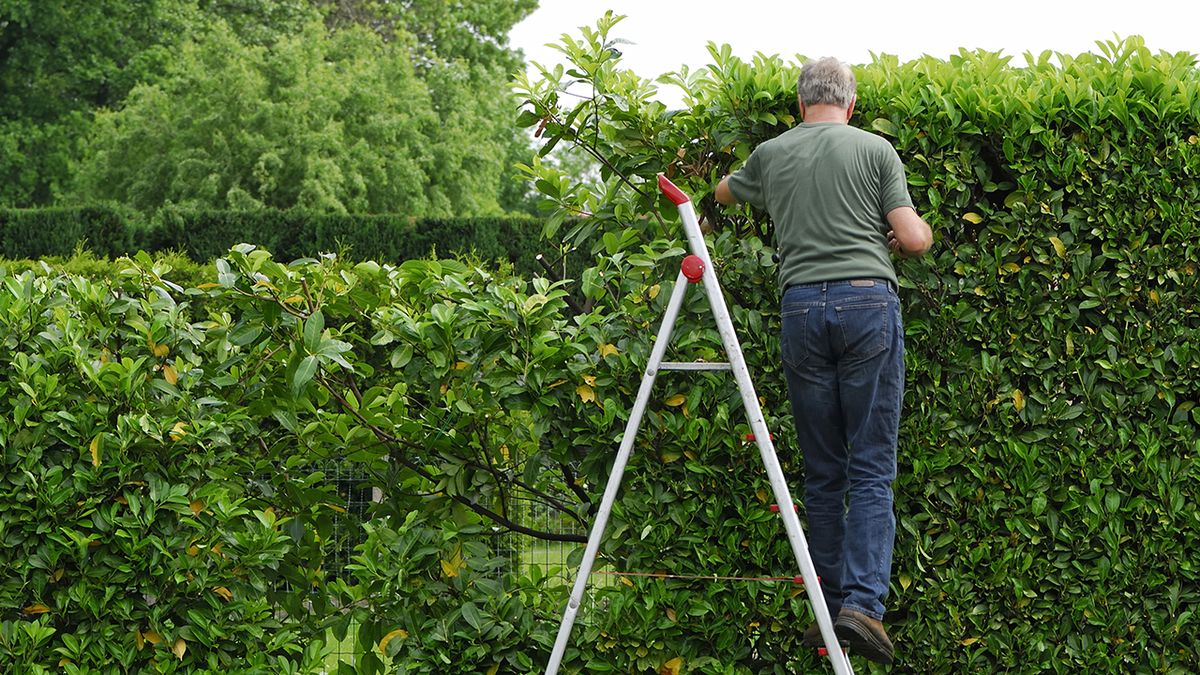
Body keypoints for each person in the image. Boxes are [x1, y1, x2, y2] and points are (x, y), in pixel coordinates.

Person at [714, 56, 932, 665]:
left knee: (824, 470)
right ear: (851, 104)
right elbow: (912, 239)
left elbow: (724, 192)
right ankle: (861, 607)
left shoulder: (773, 153)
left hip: (802, 308)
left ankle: (827, 606)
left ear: (801, 103)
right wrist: (911, 234)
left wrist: (734, 178)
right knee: (870, 465)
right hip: (867, 303)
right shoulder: (874, 151)